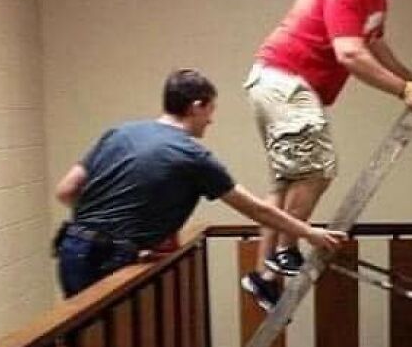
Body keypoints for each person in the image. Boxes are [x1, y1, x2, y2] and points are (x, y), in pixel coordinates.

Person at [241, 0, 412, 311]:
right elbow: (350, 54)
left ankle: (264, 277)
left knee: (288, 181)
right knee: (317, 169)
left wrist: (409, 77)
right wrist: (403, 91)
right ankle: (284, 251)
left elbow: (374, 45)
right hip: (284, 80)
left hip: (282, 83)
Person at [54, 68, 345, 299]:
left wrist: (101, 225)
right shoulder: (192, 156)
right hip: (114, 257)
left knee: (84, 343)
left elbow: (66, 190)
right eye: (210, 111)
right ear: (196, 107)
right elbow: (257, 211)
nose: (211, 120)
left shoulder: (120, 133)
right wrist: (308, 233)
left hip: (72, 247)